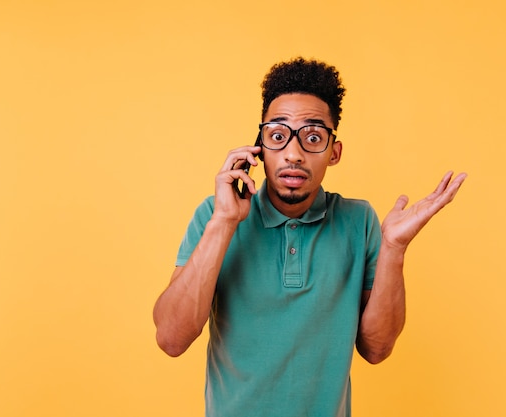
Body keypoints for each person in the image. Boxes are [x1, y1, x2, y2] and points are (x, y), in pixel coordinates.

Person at [153, 57, 467, 417]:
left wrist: (394, 248)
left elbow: (377, 349)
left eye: (313, 137)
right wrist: (225, 221)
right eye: (278, 136)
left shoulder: (358, 221)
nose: (293, 154)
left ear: (334, 152)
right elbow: (171, 340)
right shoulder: (214, 215)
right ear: (259, 148)